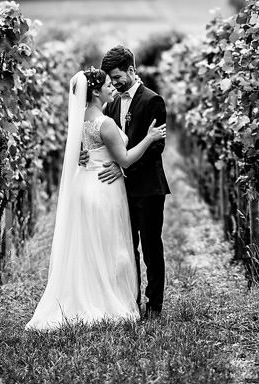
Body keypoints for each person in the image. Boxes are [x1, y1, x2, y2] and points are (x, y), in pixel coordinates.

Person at [25, 67, 167, 331]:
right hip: (105, 188)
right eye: (106, 85)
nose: (111, 87)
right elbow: (123, 158)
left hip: (87, 184)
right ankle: (108, 301)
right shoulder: (106, 121)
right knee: (110, 247)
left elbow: (85, 152)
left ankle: (89, 297)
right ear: (95, 91)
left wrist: (89, 157)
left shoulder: (81, 120)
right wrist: (149, 138)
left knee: (92, 247)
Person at [93, 45, 171, 318]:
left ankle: (154, 307)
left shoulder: (153, 101)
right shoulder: (111, 104)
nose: (113, 83)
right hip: (121, 191)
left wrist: (123, 168)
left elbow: (155, 150)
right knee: (126, 247)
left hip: (149, 188)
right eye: (109, 79)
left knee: (151, 246)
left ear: (132, 70)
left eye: (117, 77)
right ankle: (130, 301)